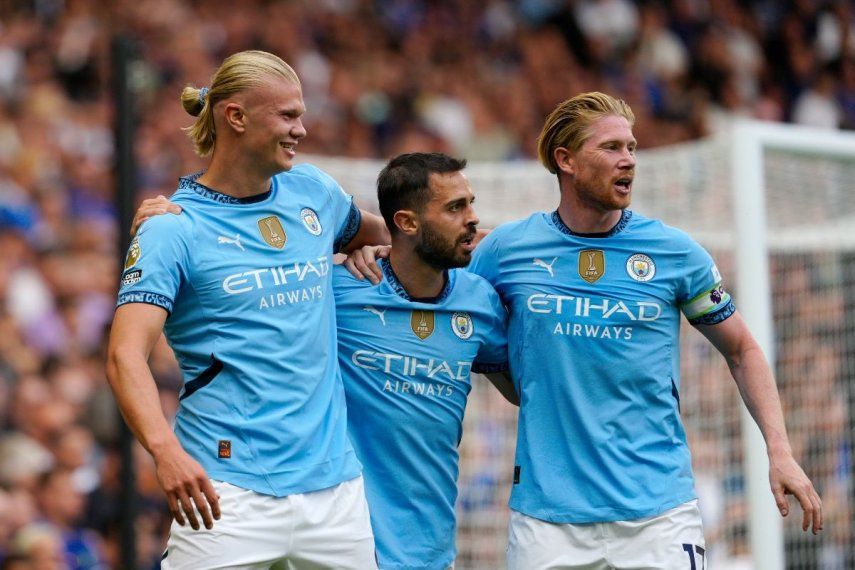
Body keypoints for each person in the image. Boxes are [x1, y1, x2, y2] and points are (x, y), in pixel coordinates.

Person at [347, 92, 822, 569]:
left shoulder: (676, 253)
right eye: (612, 148)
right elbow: (433, 273)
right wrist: (375, 251)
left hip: (658, 514)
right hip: (546, 521)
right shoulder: (507, 251)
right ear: (565, 160)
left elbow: (742, 349)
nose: (629, 161)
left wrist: (779, 450)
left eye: (631, 148)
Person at [106, 50, 388, 569]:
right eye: (288, 115)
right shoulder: (172, 227)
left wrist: (377, 247)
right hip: (224, 493)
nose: (301, 129)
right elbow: (125, 355)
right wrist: (165, 452)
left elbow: (401, 240)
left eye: (300, 114)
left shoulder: (315, 192)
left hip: (335, 493)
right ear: (235, 117)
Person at [333, 152, 513, 569]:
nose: (472, 217)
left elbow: (524, 391)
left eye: (470, 203)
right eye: (455, 207)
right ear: (407, 223)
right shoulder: (342, 288)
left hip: (430, 544)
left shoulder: (480, 300)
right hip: (344, 540)